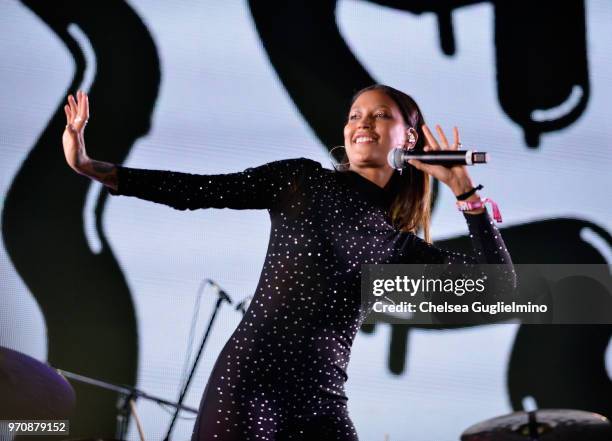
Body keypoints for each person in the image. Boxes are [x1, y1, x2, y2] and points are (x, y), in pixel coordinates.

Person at [62, 85, 515, 440]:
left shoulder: (397, 246)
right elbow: (196, 190)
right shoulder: (301, 180)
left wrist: (464, 191)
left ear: (410, 139)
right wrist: (93, 167)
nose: (363, 123)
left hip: (322, 402)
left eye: (380, 115)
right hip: (249, 386)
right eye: (355, 115)